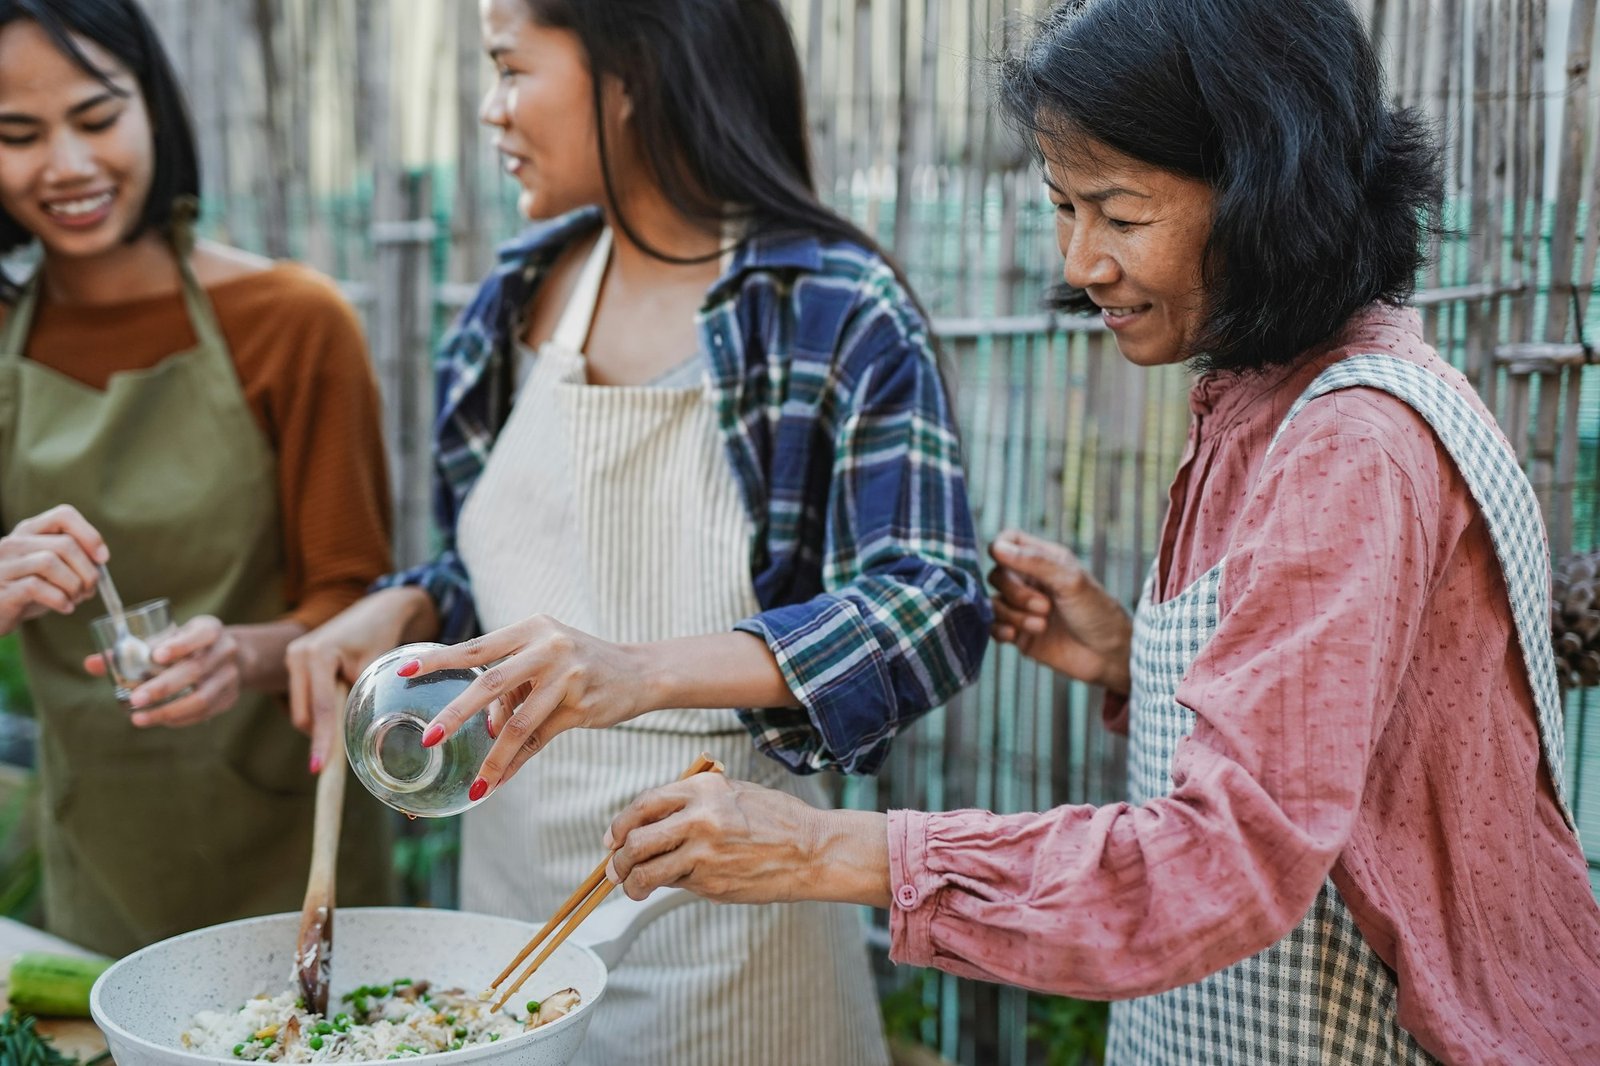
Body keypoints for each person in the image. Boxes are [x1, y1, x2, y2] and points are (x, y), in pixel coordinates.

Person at [598, 0, 1600, 1061]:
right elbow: (1361, 732)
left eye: (1120, 216)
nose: (1082, 262)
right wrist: (1135, 656)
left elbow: (1222, 862)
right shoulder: (1267, 393)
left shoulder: (1351, 444)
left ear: (1271, 195)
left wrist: (822, 849)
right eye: (1062, 208)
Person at [286, 0, 989, 1063]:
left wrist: (639, 671)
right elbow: (513, 572)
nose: (491, 108)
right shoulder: (509, 305)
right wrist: (418, 601)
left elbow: (932, 599)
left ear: (635, 71)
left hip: (730, 941)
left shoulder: (830, 307)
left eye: (511, 68)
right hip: (504, 926)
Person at [0, 0, 396, 957]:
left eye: (97, 119)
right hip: (101, 849)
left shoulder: (294, 321)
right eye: (16, 135)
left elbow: (356, 600)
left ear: (156, 111)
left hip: (293, 841)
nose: (67, 165)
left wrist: (245, 657)